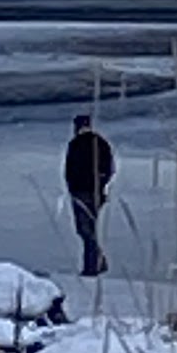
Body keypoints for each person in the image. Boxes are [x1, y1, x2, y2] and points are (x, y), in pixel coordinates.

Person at [63, 113, 114, 277]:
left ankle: (92, 265)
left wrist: (72, 187)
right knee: (89, 228)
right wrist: (102, 183)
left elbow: (69, 169)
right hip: (95, 192)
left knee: (85, 229)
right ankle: (97, 261)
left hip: (82, 191)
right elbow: (109, 168)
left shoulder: (76, 144)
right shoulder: (100, 142)